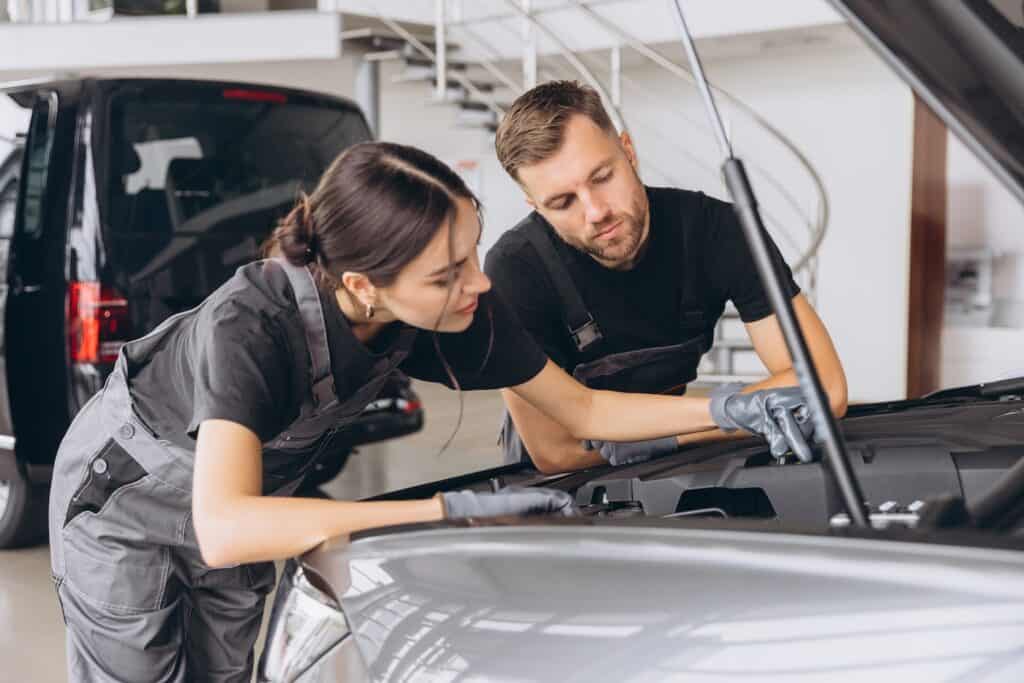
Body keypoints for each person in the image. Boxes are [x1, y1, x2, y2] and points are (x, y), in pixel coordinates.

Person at [49, 141, 817, 682]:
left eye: (474, 252)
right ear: (362, 287)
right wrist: (443, 510)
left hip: (242, 496)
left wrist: (731, 406)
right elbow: (225, 527)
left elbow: (580, 405)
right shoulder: (249, 327)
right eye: (449, 273)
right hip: (128, 503)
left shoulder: (451, 307)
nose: (479, 285)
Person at [485, 80, 847, 473]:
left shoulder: (718, 230)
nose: (595, 212)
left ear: (628, 149)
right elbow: (557, 453)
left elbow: (824, 388)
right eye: (562, 202)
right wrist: (736, 416)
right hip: (567, 488)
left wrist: (680, 431)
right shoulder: (516, 270)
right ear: (534, 205)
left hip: (674, 462)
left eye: (602, 177)